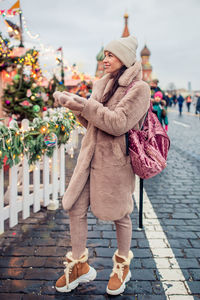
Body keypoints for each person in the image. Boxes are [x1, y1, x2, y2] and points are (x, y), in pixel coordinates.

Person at [53, 35, 150, 296]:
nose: (105, 59)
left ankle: (122, 266)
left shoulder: (139, 89)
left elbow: (118, 123)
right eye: (104, 54)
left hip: (115, 162)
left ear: (125, 59)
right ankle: (78, 265)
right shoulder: (101, 83)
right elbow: (94, 122)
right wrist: (77, 108)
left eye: (111, 55)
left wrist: (85, 105)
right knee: (74, 207)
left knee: (120, 214)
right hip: (89, 157)